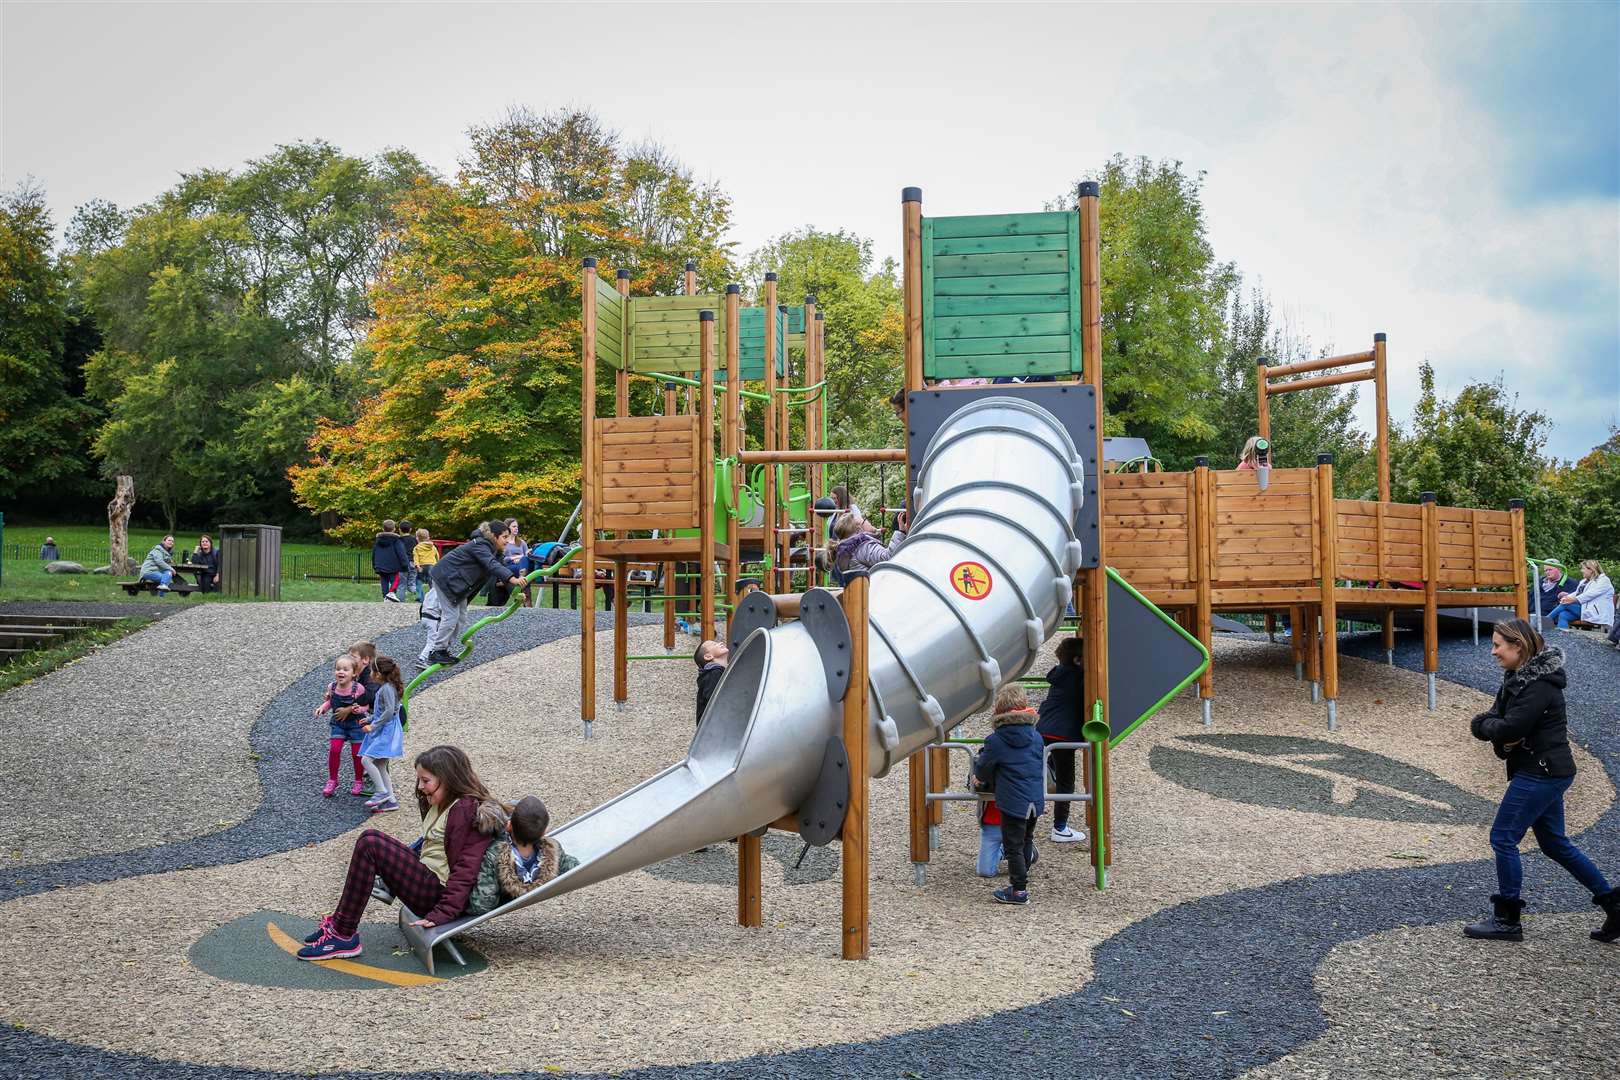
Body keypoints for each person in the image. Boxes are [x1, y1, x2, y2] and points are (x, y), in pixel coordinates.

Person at [1464, 618, 1618, 943]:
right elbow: (1498, 720)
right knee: (1554, 844)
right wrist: (1492, 727)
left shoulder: (1538, 685)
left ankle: (1507, 921)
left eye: (1497, 645)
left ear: (1517, 646)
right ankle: (1615, 907)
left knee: (1503, 838)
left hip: (1542, 772)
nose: (1493, 652)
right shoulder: (1516, 679)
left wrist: (1486, 727)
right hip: (1545, 770)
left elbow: (1508, 727)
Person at [297, 745, 505, 961]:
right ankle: (340, 925)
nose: (421, 786)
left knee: (370, 842)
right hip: (430, 882)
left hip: (438, 896)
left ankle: (342, 933)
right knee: (370, 841)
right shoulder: (442, 802)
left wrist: (443, 913)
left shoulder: (465, 809)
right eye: (420, 780)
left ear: (449, 779)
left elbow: (466, 869)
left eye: (426, 780)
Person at [972, 684, 1045, 905]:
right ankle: (1024, 871)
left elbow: (983, 770)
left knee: (1012, 846)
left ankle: (1019, 891)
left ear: (999, 711)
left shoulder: (996, 741)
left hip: (1013, 801)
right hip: (1033, 799)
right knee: (1025, 840)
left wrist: (981, 777)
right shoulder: (1036, 736)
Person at [418, 521, 525, 670]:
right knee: (451, 616)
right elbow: (491, 564)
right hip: (446, 579)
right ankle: (436, 651)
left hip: (458, 584)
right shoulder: (480, 545)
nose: (507, 541)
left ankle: (441, 650)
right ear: (494, 536)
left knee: (461, 618)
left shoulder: (494, 550)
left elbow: (499, 569)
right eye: (504, 537)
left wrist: (515, 591)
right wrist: (513, 578)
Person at [1036, 636, 1088, 846]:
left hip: (1044, 729)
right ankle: (1060, 827)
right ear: (1077, 659)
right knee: (1066, 781)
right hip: (1063, 733)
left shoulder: (1059, 675)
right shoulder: (1079, 677)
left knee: (1040, 775)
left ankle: (1027, 817)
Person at [494, 795, 579, 900]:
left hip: (507, 894)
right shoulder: (554, 852)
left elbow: (482, 903)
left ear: (509, 826)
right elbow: (574, 867)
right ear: (544, 832)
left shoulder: (494, 854)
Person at [313, 655, 369, 798]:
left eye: (345, 669)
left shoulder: (359, 688)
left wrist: (360, 710)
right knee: (335, 749)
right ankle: (332, 779)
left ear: (354, 674)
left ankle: (358, 780)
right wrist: (322, 708)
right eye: (338, 669)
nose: (341, 672)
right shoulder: (332, 687)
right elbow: (331, 701)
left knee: (357, 754)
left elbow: (366, 705)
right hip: (339, 724)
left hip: (356, 725)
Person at [359, 656, 407, 814]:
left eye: (373, 670)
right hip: (385, 728)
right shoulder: (387, 687)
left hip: (385, 731)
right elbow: (384, 710)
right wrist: (369, 718)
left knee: (366, 760)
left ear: (378, 674)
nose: (370, 673)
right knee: (380, 765)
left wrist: (372, 726)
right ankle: (391, 801)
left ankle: (382, 792)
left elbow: (389, 712)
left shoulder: (386, 688)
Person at [831, 510, 906, 576]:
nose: (868, 521)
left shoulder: (851, 551)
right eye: (864, 520)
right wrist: (900, 532)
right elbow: (889, 558)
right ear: (859, 530)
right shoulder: (863, 547)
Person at [1545, 559, 1613, 630]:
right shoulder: (1584, 581)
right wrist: (1567, 597)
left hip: (1596, 613)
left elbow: (1590, 594)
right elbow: (1576, 593)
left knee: (1565, 604)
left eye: (1583, 569)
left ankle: (1543, 621)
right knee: (1563, 614)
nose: (1581, 571)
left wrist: (1573, 599)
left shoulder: (1604, 581)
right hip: (1583, 610)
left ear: (1591, 570)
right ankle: (1563, 637)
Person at [371, 520, 410, 602]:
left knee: (384, 581)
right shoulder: (396, 541)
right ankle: (391, 593)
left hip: (381, 565)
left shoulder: (378, 541)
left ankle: (385, 596)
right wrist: (405, 565)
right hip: (394, 565)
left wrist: (375, 565)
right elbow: (401, 553)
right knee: (396, 579)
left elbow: (374, 553)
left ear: (383, 528)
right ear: (394, 529)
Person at [694, 639, 729, 726]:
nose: (720, 643)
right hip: (713, 727)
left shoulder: (718, 673)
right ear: (708, 656)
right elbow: (713, 700)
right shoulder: (714, 673)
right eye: (714, 644)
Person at [411, 528, 438, 603]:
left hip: (422, 566)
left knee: (418, 581)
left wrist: (417, 566)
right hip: (432, 566)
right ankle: (433, 597)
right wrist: (437, 564)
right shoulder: (433, 547)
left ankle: (420, 596)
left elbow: (416, 557)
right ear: (428, 537)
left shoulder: (417, 548)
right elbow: (437, 556)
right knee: (431, 582)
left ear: (417, 539)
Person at [397, 520, 418, 600]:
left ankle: (401, 601)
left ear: (399, 529)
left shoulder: (398, 540)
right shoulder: (414, 540)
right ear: (410, 529)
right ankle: (415, 592)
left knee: (402, 584)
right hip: (413, 562)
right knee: (412, 580)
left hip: (402, 563)